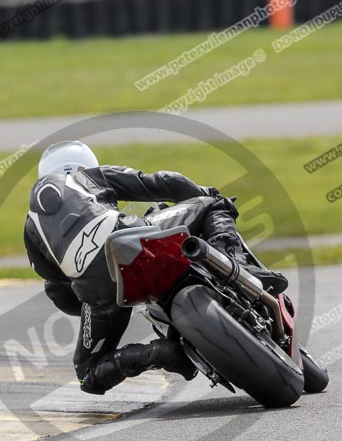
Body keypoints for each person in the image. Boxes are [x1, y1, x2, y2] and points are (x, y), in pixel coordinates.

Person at [24, 140, 248, 396]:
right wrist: (203, 192)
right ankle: (235, 266)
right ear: (84, 166)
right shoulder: (90, 176)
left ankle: (157, 353)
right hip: (133, 237)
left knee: (87, 375)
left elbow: (56, 288)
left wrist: (96, 304)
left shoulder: (31, 226)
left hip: (97, 289)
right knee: (213, 204)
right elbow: (158, 182)